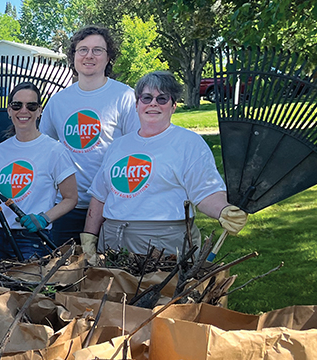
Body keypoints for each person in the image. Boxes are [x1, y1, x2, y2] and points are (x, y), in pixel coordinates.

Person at [82, 70, 248, 259]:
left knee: (162, 289)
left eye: (162, 99)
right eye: (146, 98)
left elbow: (205, 191)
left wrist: (223, 210)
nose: (153, 103)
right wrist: (89, 238)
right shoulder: (118, 146)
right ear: (137, 105)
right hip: (112, 242)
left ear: (173, 106)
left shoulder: (188, 143)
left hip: (165, 245)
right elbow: (100, 197)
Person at [39, 25, 138, 246]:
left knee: (107, 275)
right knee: (63, 275)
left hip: (112, 205)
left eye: (97, 50)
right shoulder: (58, 101)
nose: (89, 56)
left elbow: (137, 148)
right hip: (66, 206)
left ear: (108, 57)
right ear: (73, 56)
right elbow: (45, 150)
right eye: (82, 49)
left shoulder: (124, 96)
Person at [0, 81, 78, 262]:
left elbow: (71, 198)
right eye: (17, 105)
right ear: (9, 110)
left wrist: (44, 218)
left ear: (40, 111)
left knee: (28, 290)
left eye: (31, 106)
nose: (24, 111)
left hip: (33, 239)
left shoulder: (55, 151)